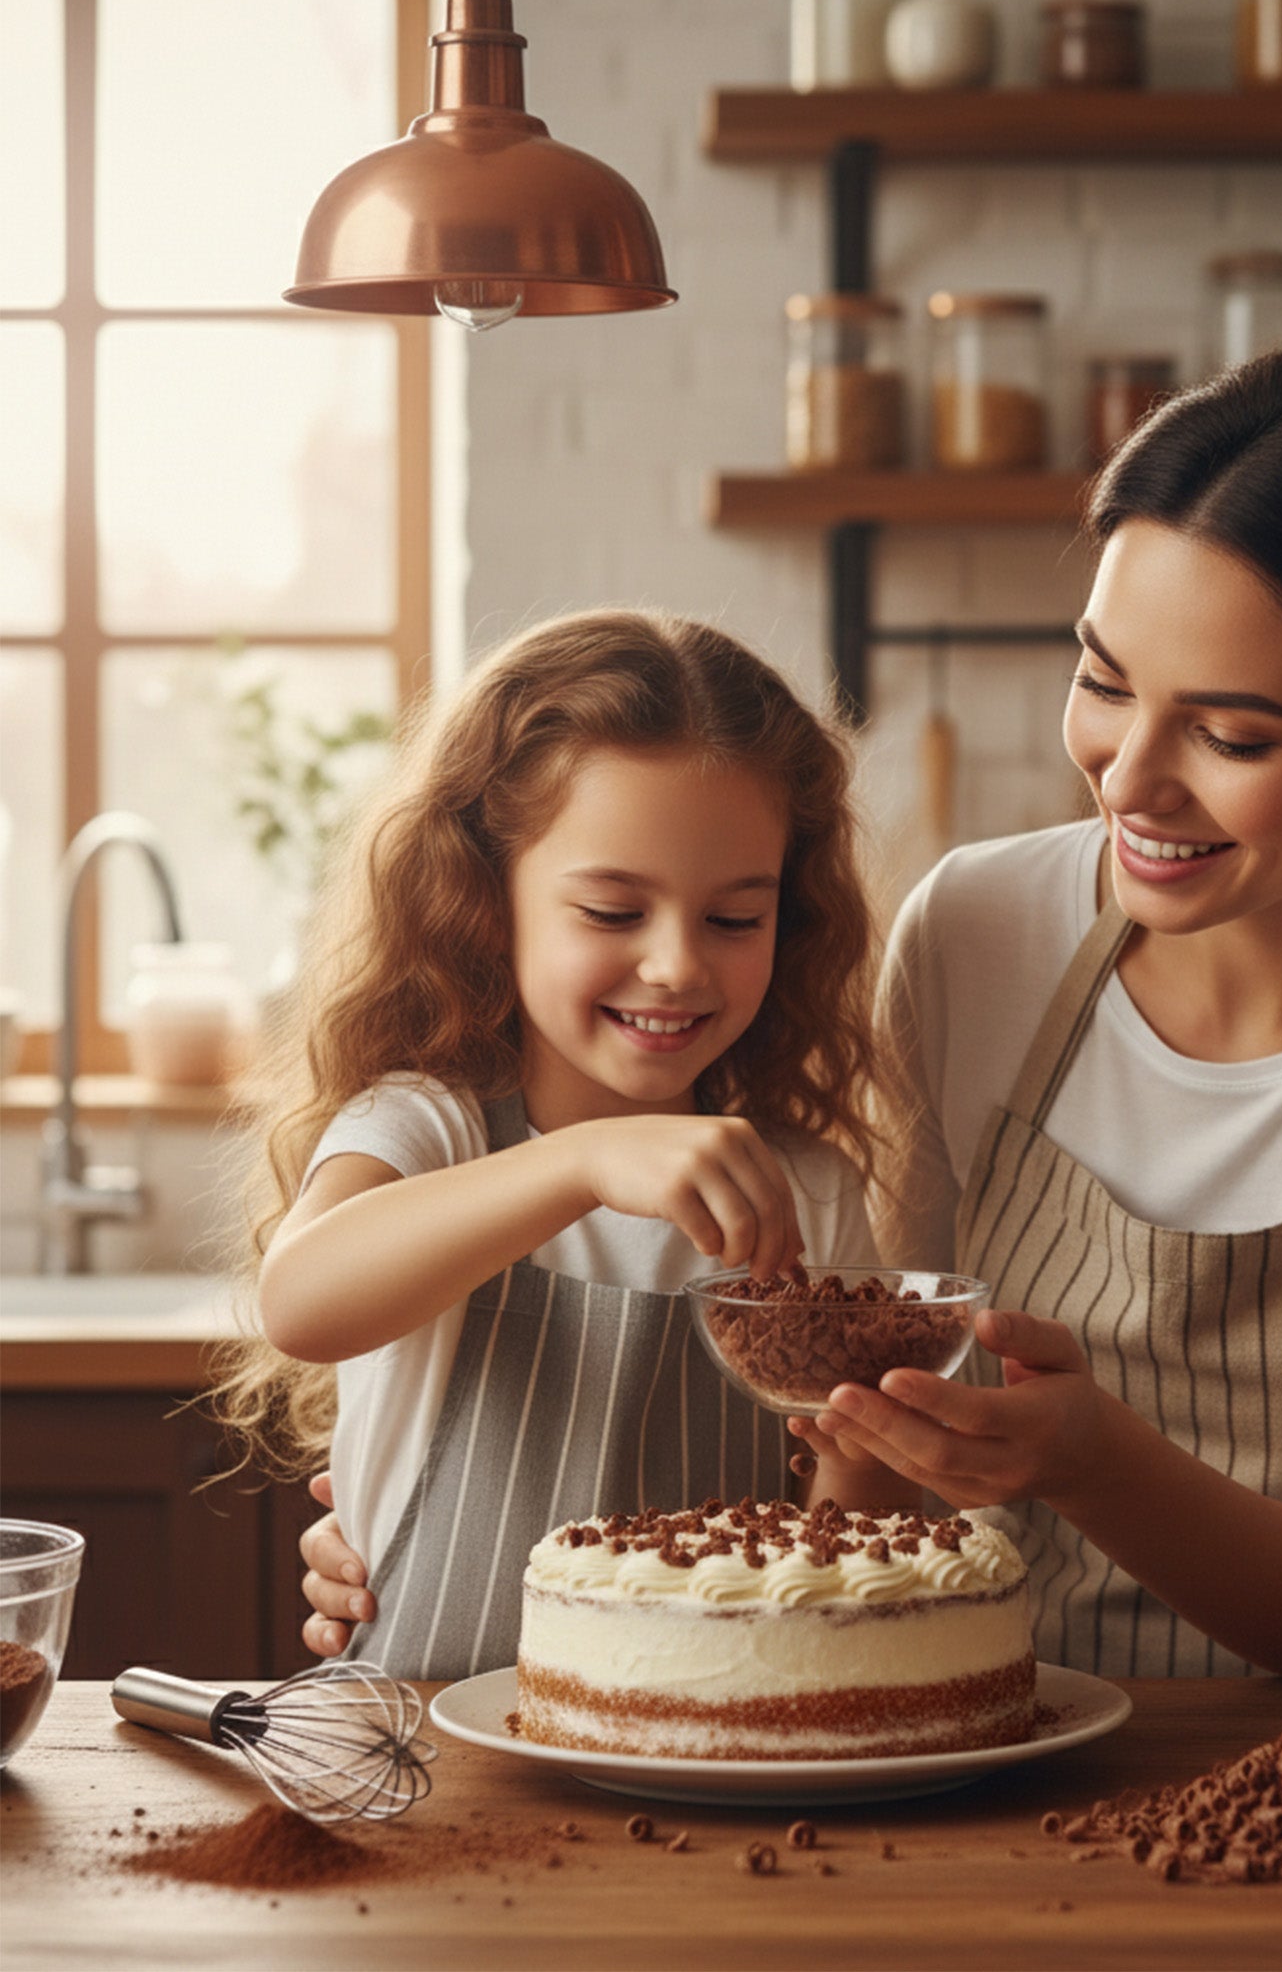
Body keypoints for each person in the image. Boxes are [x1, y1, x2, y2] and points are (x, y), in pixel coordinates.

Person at [297, 350, 1282, 1678]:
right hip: (978, 1736)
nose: (1130, 780)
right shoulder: (981, 933)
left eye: (1233, 737)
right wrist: (425, 1508)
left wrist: (1093, 1463)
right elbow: (873, 1454)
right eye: (1106, 683)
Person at [217, 609, 903, 1679]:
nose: (677, 963)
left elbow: (845, 1530)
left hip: (714, 1744)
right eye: (611, 909)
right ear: (489, 903)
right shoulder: (425, 1125)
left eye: (733, 920)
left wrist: (868, 1457)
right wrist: (578, 1163)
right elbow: (300, 1300)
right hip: (420, 1751)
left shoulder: (804, 1187)